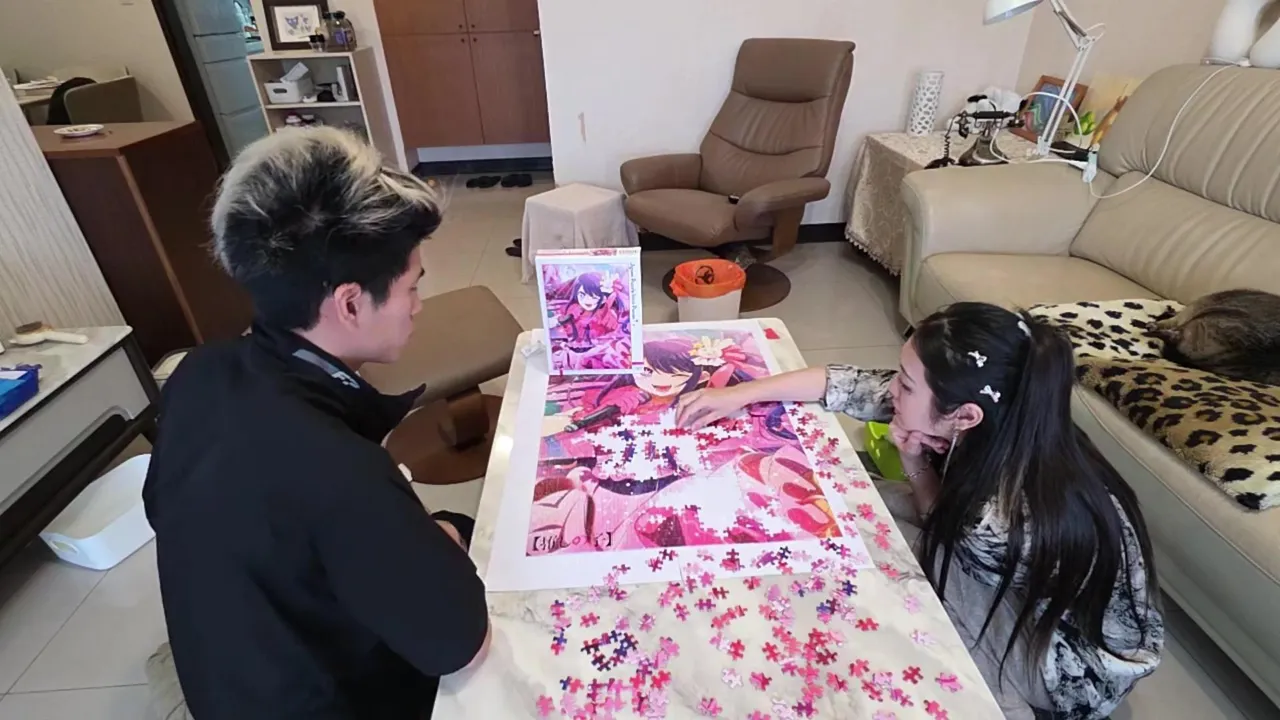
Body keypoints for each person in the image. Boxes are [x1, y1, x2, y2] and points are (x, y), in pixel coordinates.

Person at [143, 127, 490, 720]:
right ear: (350, 303)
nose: (417, 306)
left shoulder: (197, 374)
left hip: (229, 674)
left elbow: (169, 508)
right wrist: (442, 537)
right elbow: (459, 642)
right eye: (412, 286)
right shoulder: (338, 467)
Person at [676, 303, 1164, 720]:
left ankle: (1003, 702)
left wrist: (912, 460)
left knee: (884, 552)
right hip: (1022, 573)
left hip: (1072, 666)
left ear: (964, 416)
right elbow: (843, 383)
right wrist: (736, 393)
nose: (892, 390)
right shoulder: (1000, 415)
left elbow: (944, 527)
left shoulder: (1000, 513)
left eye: (906, 385)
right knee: (854, 499)